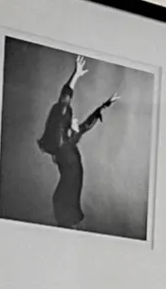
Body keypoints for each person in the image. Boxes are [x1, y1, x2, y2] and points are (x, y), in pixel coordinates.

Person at [37, 57, 117, 229]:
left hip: (71, 198)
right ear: (64, 124)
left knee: (69, 229)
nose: (76, 118)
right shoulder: (61, 142)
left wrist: (106, 105)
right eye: (72, 117)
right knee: (66, 228)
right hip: (64, 199)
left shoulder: (72, 140)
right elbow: (64, 100)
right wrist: (76, 75)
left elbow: (88, 124)